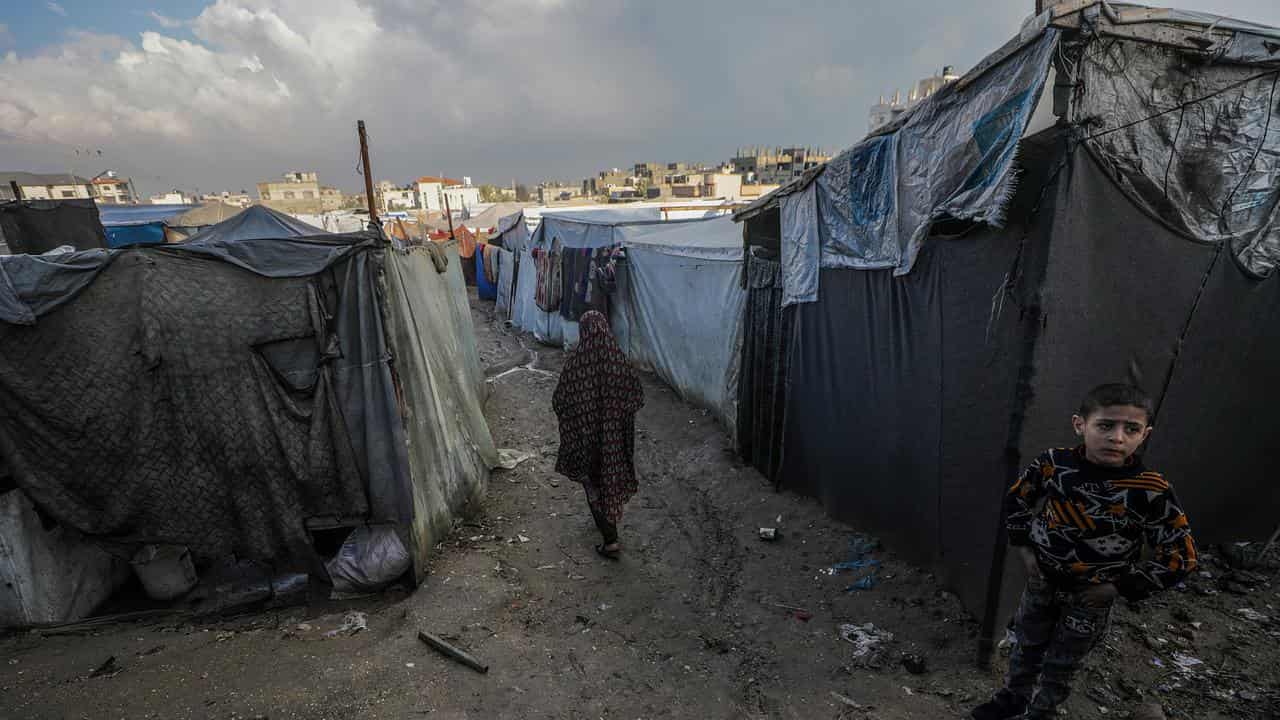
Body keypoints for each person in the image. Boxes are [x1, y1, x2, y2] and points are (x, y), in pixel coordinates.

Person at [972, 383, 1198, 720]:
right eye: (1105, 425)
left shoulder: (1151, 490)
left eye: (1131, 429)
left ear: (1145, 434)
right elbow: (1018, 499)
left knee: (1063, 661)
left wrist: (1116, 588)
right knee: (1026, 647)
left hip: (1090, 598)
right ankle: (1013, 699)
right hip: (1042, 583)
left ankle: (1042, 712)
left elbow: (1181, 556)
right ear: (1080, 424)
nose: (1117, 438)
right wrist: (1023, 548)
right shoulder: (1053, 464)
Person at [552, 310, 644, 559]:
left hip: (585, 439)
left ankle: (610, 540)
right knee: (609, 480)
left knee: (592, 482)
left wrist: (578, 418)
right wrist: (617, 418)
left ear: (583, 331)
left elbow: (559, 400)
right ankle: (608, 527)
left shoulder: (576, 364)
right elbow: (636, 395)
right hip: (612, 441)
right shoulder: (618, 361)